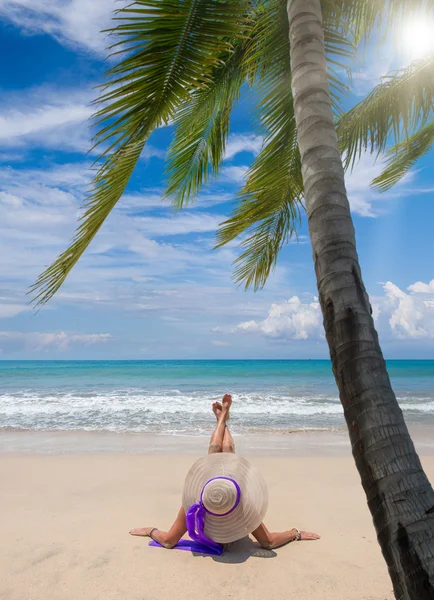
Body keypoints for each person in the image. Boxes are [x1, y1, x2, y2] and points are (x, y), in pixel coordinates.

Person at [129, 394, 320, 554]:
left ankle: (222, 419)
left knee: (222, 449)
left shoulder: (242, 506)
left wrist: (296, 533)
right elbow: (268, 542)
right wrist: (150, 530)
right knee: (223, 449)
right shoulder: (195, 506)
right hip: (211, 486)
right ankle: (222, 419)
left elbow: (268, 542)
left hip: (224, 486)